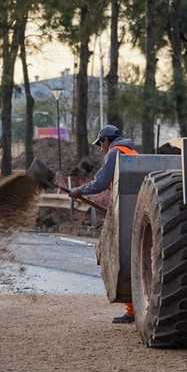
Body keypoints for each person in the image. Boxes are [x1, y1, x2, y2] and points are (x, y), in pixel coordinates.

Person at [69, 124, 139, 324]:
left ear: (106, 140)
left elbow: (100, 183)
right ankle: (137, 308)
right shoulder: (132, 151)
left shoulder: (114, 153)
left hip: (125, 212)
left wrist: (79, 191)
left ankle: (132, 311)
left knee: (124, 258)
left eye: (101, 144)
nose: (101, 149)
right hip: (135, 208)